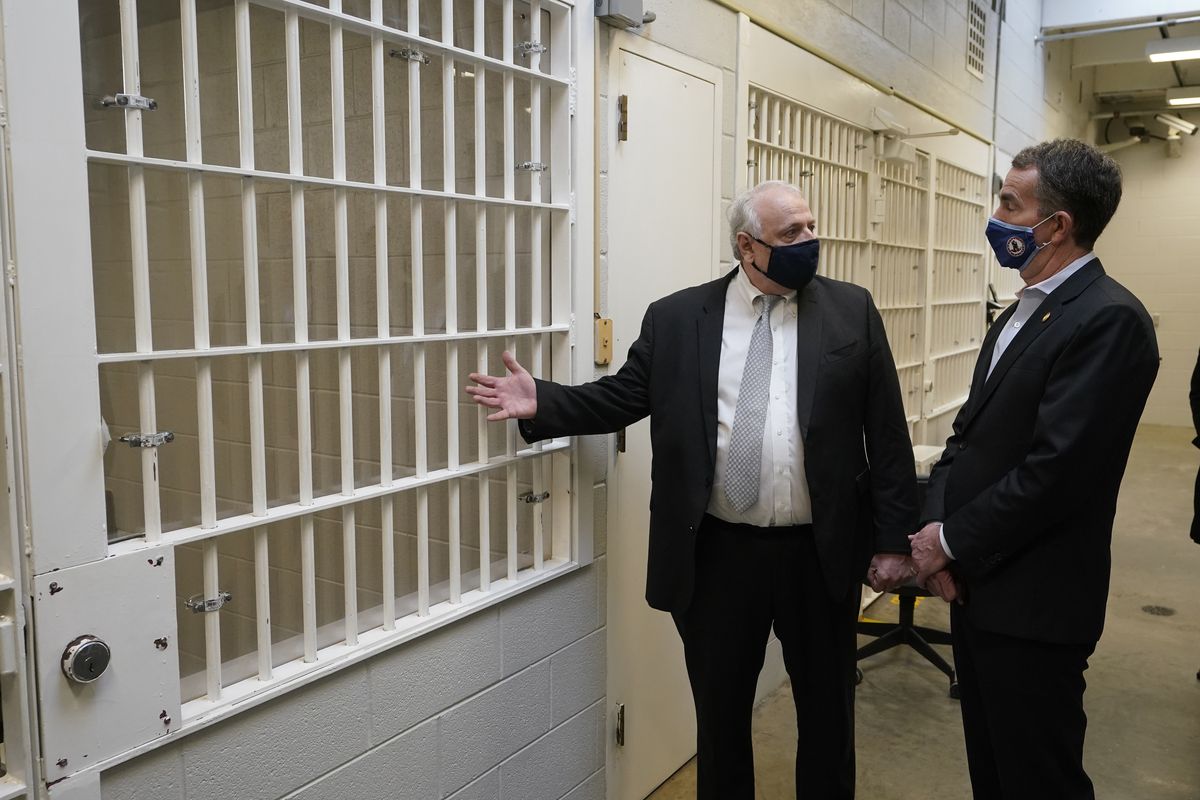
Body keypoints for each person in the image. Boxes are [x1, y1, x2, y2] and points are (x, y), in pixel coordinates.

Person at [467, 180, 950, 799]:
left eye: (810, 226)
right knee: (721, 722)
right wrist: (547, 401)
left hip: (820, 552)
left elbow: (885, 434)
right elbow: (625, 396)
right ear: (748, 246)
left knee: (829, 716)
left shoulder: (851, 309)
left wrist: (891, 541)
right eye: (791, 234)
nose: (810, 241)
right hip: (719, 554)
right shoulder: (678, 318)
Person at [909, 139, 1160, 800]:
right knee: (993, 773)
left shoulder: (1109, 320)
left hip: (1035, 604)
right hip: (976, 588)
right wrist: (939, 534)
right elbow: (967, 439)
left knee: (1038, 781)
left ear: (1057, 226)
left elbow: (1055, 474)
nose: (996, 215)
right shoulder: (1020, 313)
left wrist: (949, 541)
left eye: (1009, 203)